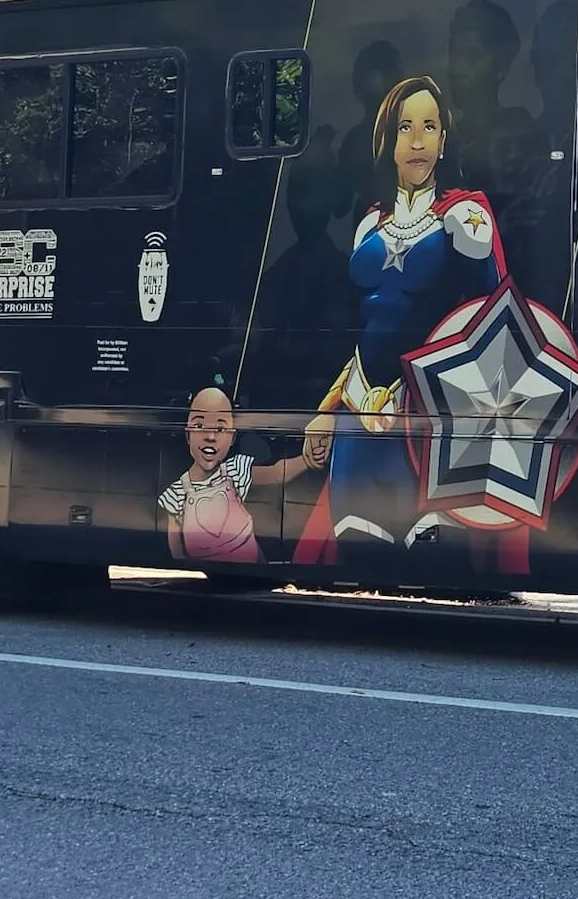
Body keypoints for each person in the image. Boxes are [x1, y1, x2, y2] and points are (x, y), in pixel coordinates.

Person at [293, 74, 505, 564]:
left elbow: (491, 319)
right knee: (360, 558)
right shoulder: (370, 221)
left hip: (427, 418)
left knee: (432, 562)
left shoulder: (466, 215)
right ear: (387, 141)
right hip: (358, 412)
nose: (416, 140)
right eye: (404, 127)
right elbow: (365, 331)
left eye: (429, 126)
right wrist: (328, 408)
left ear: (443, 140)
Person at [159, 387, 325, 563]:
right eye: (199, 426)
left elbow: (276, 473)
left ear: (232, 438)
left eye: (221, 428)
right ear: (187, 434)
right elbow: (176, 551)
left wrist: (307, 460)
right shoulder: (176, 493)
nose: (210, 436)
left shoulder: (236, 470)